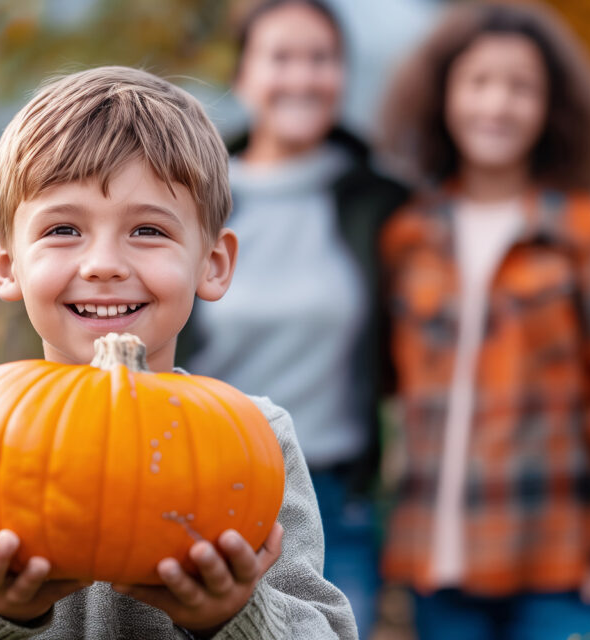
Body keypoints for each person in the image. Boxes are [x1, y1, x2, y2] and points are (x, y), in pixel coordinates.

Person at [0, 66, 357, 639]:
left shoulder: (257, 440)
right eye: (63, 230)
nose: (104, 263)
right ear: (6, 265)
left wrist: (234, 617)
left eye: (148, 231)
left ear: (213, 264)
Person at [376, 3, 590, 639]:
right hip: (435, 564)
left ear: (551, 106)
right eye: (479, 83)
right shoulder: (410, 238)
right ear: (444, 95)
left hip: (555, 562)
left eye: (520, 87)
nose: (497, 105)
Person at [179, 2, 408, 634]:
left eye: (321, 59)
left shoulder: (381, 202)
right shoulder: (192, 193)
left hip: (336, 494)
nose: (302, 77)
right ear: (246, 76)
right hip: (200, 486)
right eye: (281, 58)